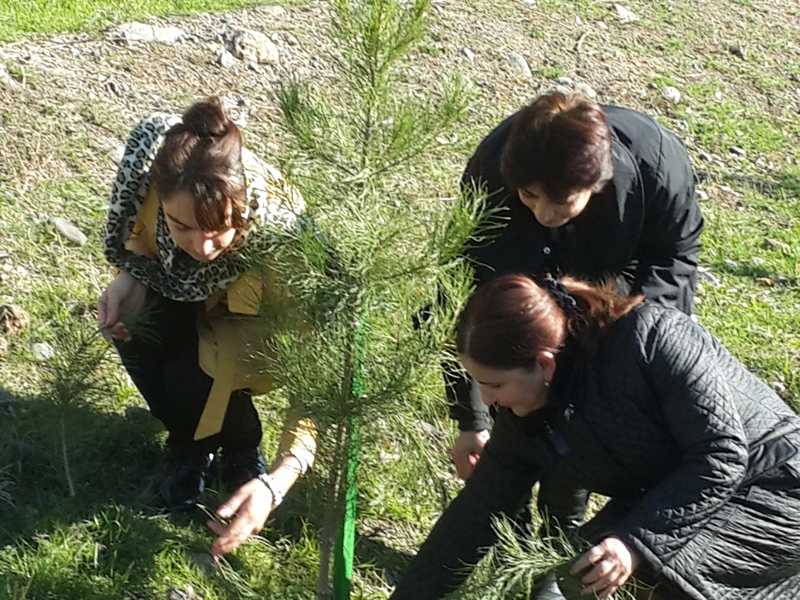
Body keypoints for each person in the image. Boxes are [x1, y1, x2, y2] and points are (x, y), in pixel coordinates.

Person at [394, 274, 800, 599]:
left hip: (777, 484)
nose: (485, 399)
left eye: (494, 384)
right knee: (583, 571)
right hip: (682, 494)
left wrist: (633, 544)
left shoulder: (652, 339)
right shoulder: (528, 418)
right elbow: (473, 518)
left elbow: (721, 456)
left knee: (659, 571)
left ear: (544, 363)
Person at [448, 91, 705, 534]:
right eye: (529, 196)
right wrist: (471, 417)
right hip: (522, 282)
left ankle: (558, 531)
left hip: (614, 285)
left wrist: (623, 349)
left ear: (595, 185)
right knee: (519, 381)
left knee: (580, 399)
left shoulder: (658, 165)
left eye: (561, 203)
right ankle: (508, 524)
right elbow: (463, 292)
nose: (544, 214)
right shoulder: (494, 168)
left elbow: (674, 261)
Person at [98, 97, 316, 556]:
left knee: (192, 372)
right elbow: (141, 240)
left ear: (241, 206)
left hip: (257, 321)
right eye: (183, 228)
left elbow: (318, 373)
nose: (203, 245)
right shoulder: (154, 176)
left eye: (220, 228)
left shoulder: (285, 239)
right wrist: (128, 278)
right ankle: (189, 446)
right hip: (187, 296)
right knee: (136, 324)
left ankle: (241, 448)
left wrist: (279, 481)